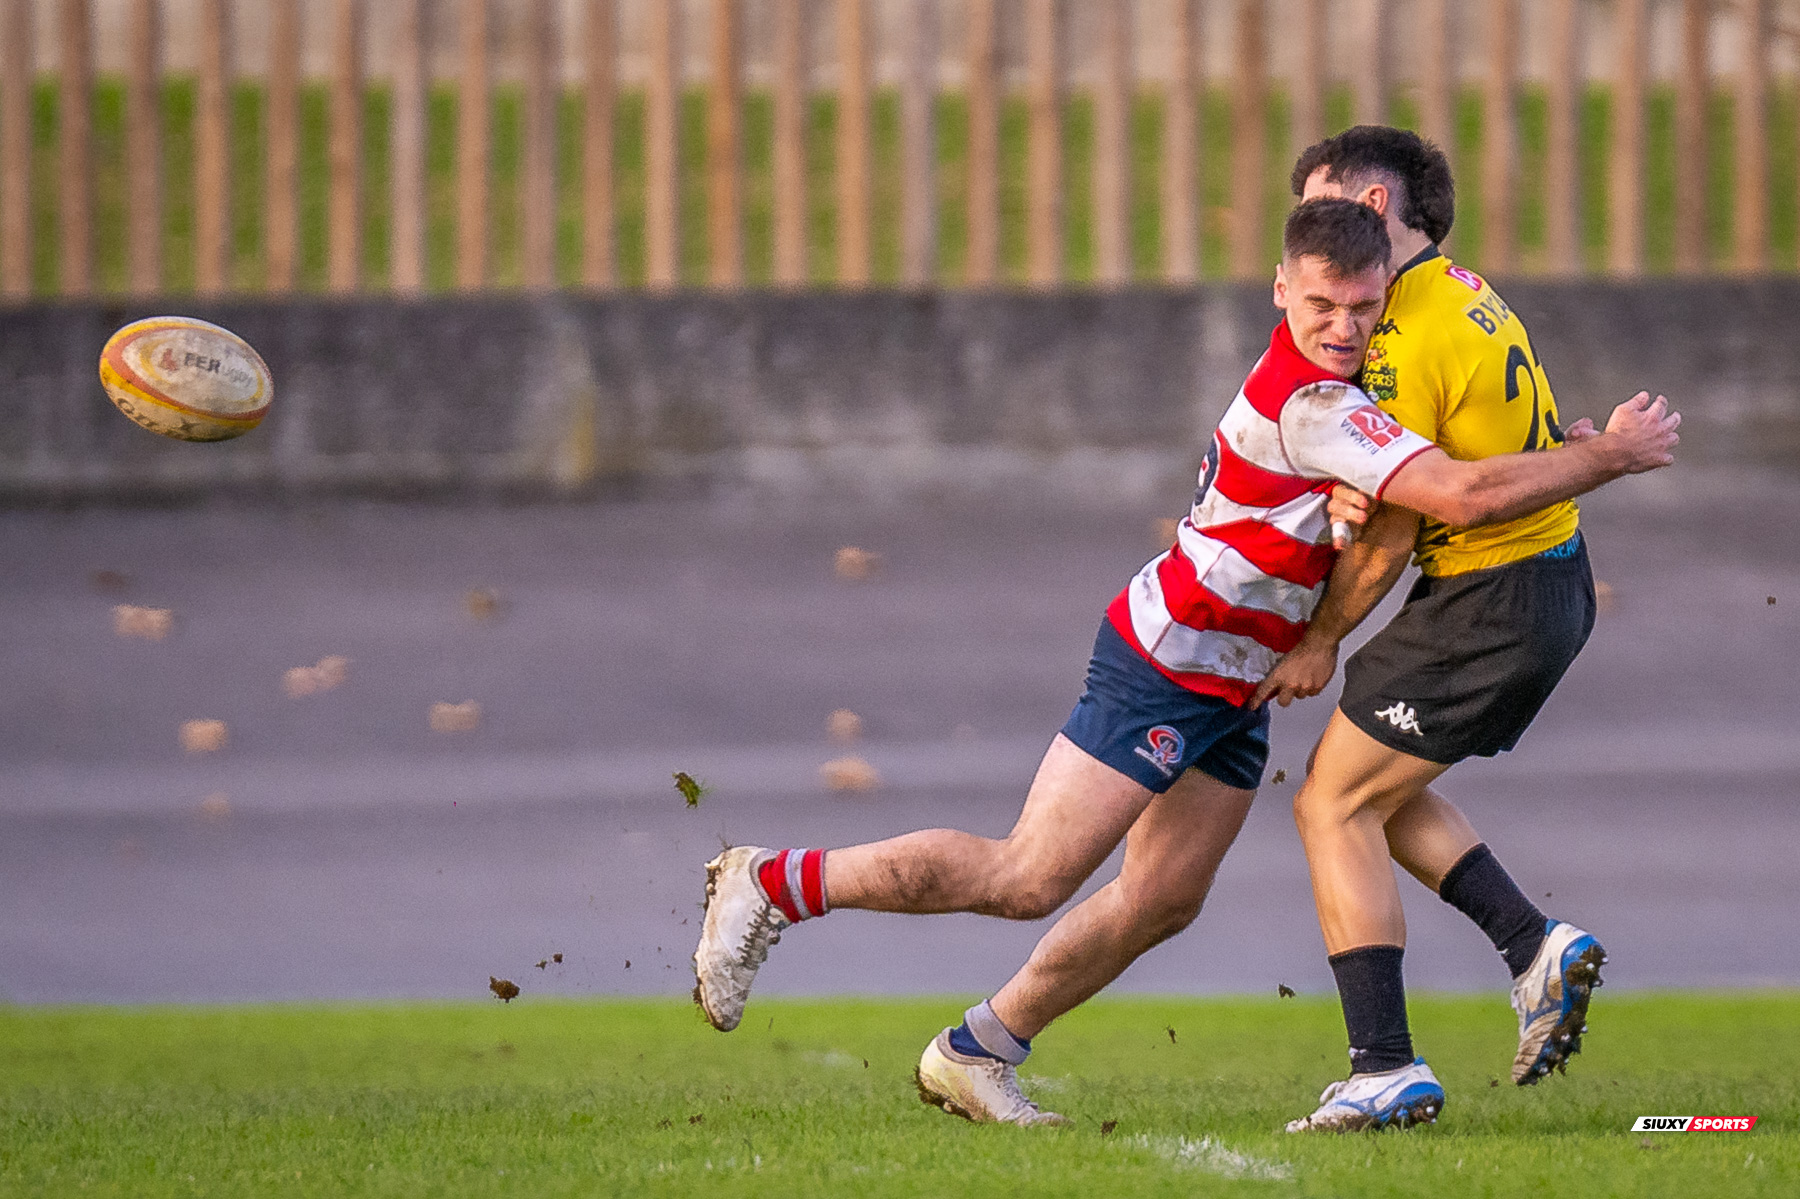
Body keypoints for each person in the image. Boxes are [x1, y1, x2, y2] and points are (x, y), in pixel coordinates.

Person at [690, 198, 1680, 1128]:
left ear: (1388, 292)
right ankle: (774, 881)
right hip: (1169, 661)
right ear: (1281, 290)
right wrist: (1608, 455)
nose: (1343, 327)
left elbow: (1436, 461)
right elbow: (1458, 495)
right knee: (1027, 875)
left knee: (1163, 898)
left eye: (1363, 307)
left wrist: (1542, 445)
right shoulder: (1313, 405)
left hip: (1236, 681)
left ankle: (975, 1049)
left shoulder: (1353, 388)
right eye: (1322, 304)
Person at [1263, 126, 1676, 1133]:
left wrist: (1319, 639)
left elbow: (1400, 527)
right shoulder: (1464, 289)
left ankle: (1384, 1064)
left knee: (1330, 804)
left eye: (1319, 206)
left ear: (1370, 206)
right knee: (1368, 785)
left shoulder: (1402, 331)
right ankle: (1533, 945)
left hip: (1492, 598)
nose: (1307, 229)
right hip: (1545, 581)